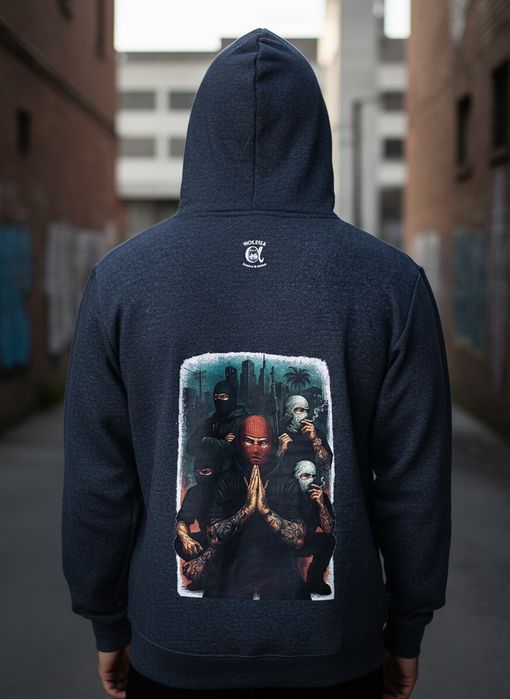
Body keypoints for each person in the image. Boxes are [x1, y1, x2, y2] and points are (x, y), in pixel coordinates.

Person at [62, 27, 452, 699]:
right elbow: (413, 483)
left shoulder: (122, 283)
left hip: (174, 648)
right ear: (315, 137)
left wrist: (107, 620)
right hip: (336, 652)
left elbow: (100, 479)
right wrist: (407, 628)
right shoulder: (391, 285)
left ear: (200, 136)